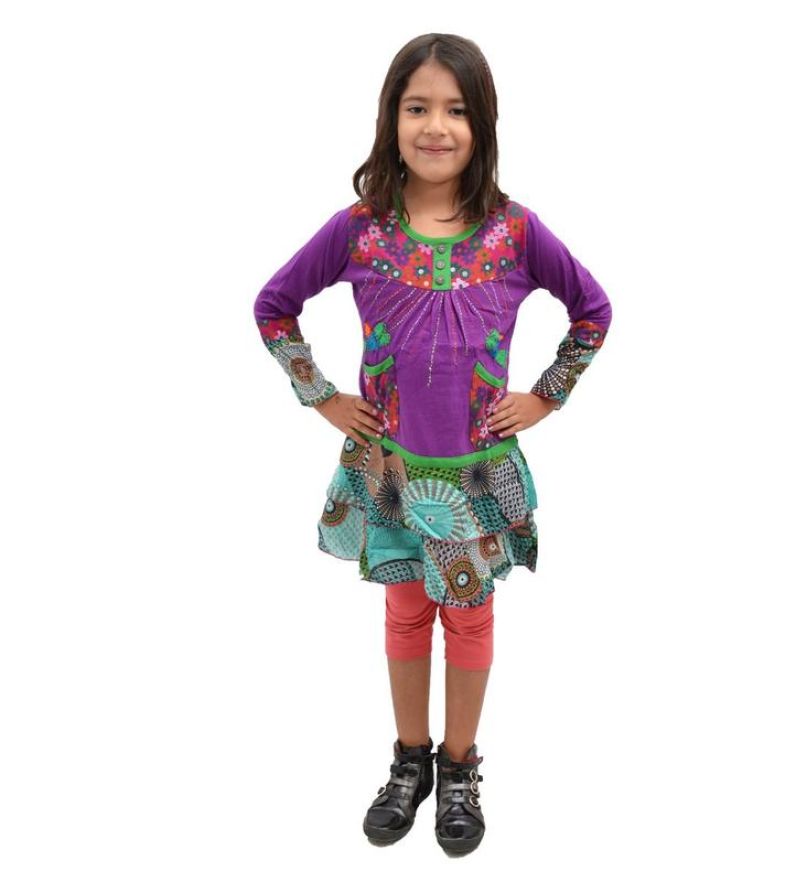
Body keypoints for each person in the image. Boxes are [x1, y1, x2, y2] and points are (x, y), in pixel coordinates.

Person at [253, 33, 612, 856]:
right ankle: (408, 760)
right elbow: (274, 306)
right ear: (392, 118)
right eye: (418, 107)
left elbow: (593, 312)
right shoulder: (360, 230)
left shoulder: (515, 232)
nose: (436, 126)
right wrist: (323, 397)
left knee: (471, 617)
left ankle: (459, 769)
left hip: (474, 479)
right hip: (390, 472)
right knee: (406, 611)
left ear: (482, 124)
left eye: (455, 109)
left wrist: (545, 397)